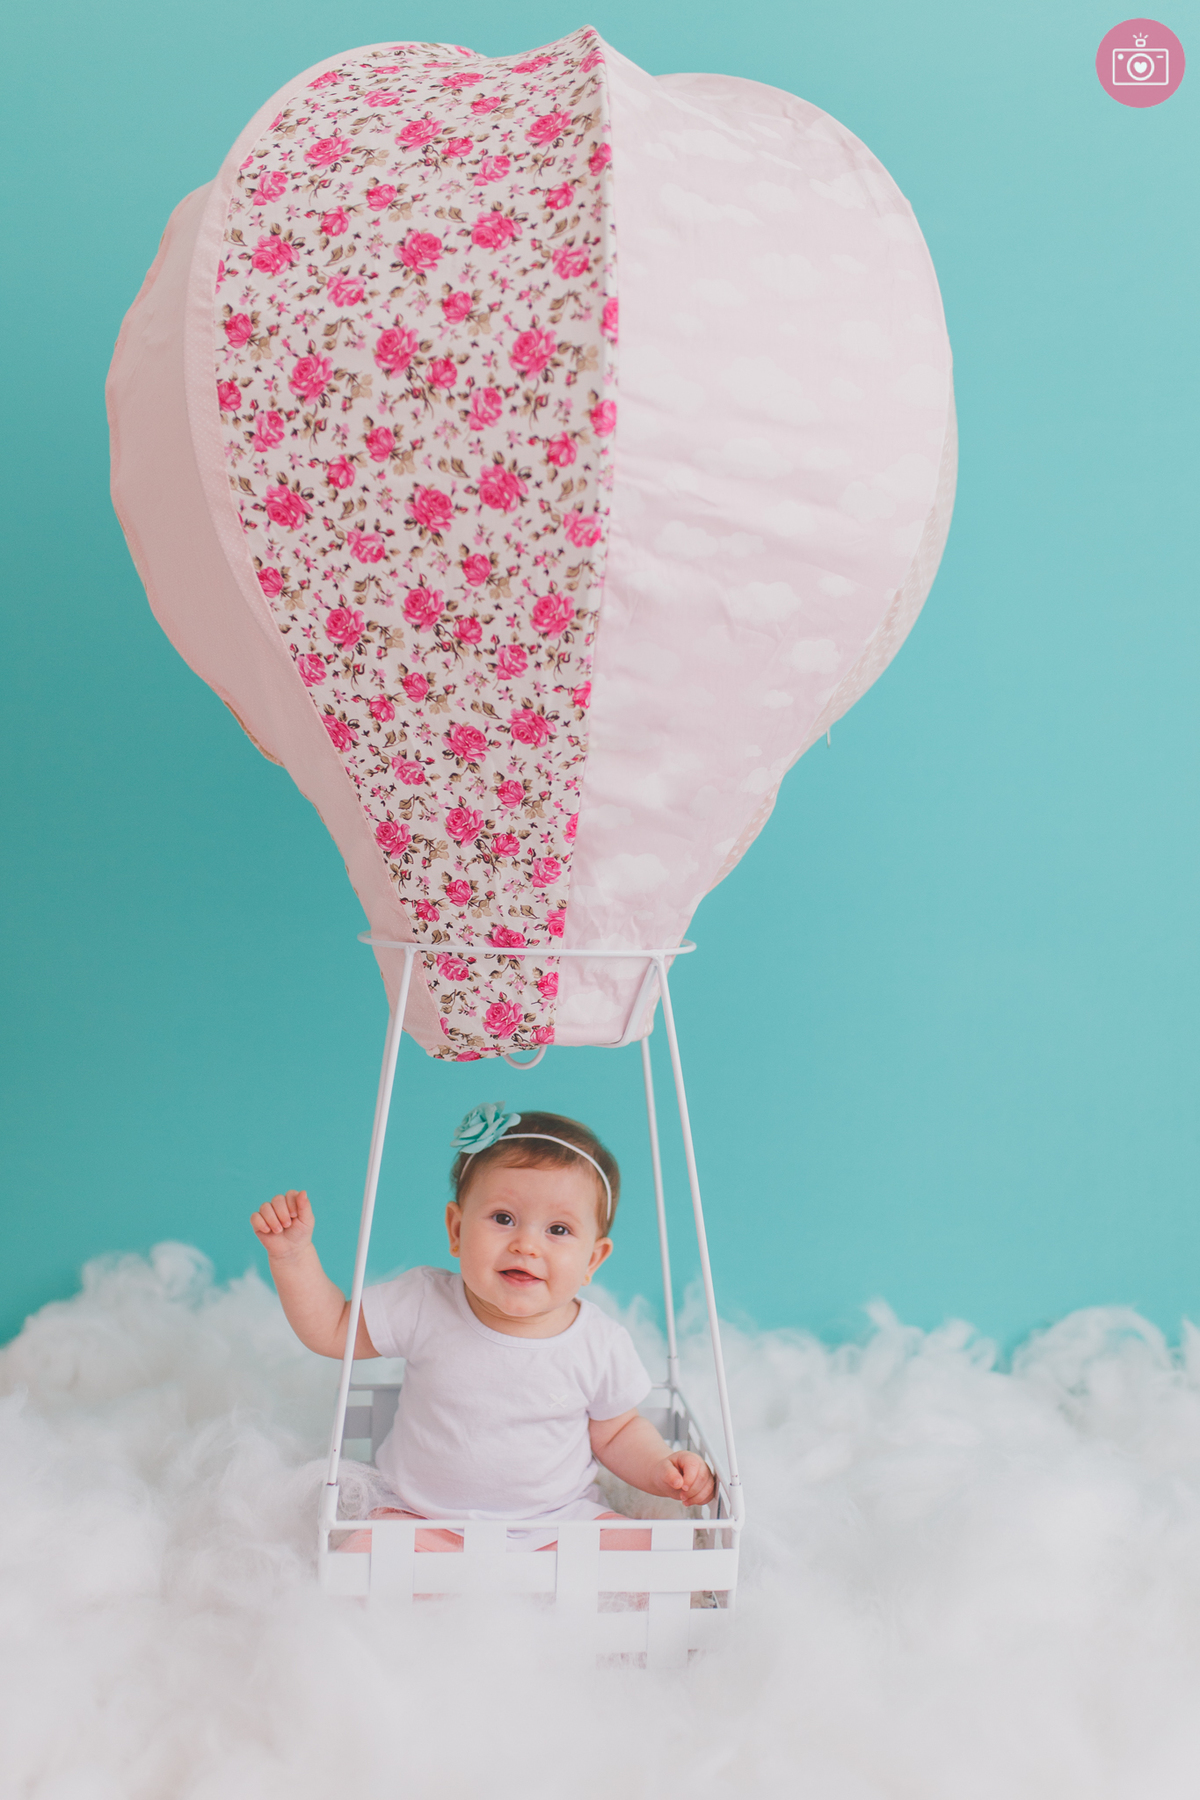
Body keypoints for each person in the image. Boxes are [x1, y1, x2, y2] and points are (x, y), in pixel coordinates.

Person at [251, 1103, 714, 1548]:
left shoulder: (599, 1342)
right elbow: (333, 1329)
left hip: (555, 1523)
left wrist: (660, 1467)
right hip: (421, 1516)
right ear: (456, 1230)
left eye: (558, 1230)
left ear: (592, 1259)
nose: (526, 1245)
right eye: (503, 1218)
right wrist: (293, 1257)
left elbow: (615, 1433)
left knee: (648, 1555)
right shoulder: (424, 1302)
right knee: (370, 1559)